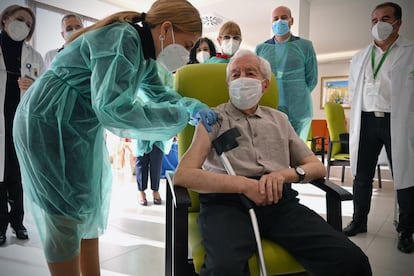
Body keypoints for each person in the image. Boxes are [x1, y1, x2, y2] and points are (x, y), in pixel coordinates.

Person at [12, 0, 217, 275]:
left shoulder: (143, 56)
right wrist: (179, 116)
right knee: (64, 217)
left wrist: (191, 106)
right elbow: (114, 109)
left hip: (78, 126)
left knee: (86, 209)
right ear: (166, 29)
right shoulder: (122, 39)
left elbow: (159, 94)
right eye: (189, 45)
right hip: (50, 121)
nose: (188, 53)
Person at [174, 49, 372, 276]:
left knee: (352, 260)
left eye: (250, 72)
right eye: (236, 75)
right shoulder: (213, 120)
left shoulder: (279, 119)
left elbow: (315, 167)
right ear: (228, 83)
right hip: (226, 204)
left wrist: (284, 175)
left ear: (265, 85)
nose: (242, 79)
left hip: (279, 202)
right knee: (224, 268)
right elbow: (184, 175)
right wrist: (245, 185)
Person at [345, 2, 414, 254]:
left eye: (385, 18)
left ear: (398, 23)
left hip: (399, 121)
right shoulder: (361, 56)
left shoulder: (410, 51)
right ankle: (359, 221)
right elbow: (354, 91)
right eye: (374, 20)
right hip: (365, 121)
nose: (379, 24)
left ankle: (406, 230)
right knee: (361, 175)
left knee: (405, 177)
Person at [0, 5, 45, 246]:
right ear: (5, 19)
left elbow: (45, 89)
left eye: (29, 25)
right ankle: (0, 226)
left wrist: (34, 86)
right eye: (20, 20)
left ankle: (18, 223)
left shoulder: (34, 57)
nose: (24, 26)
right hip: (1, 122)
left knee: (17, 178)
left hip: (20, 124)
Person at [255, 5, 317, 142]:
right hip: (270, 106)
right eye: (275, 18)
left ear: (291, 20)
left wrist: (298, 93)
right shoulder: (261, 49)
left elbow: (312, 79)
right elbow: (256, 78)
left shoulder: (305, 46)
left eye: (284, 18)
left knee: (296, 149)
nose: (279, 21)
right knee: (272, 148)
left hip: (298, 108)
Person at [135, 140, 168, 205]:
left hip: (157, 135)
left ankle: (155, 190)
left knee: (156, 163)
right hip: (142, 133)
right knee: (141, 161)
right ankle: (141, 191)